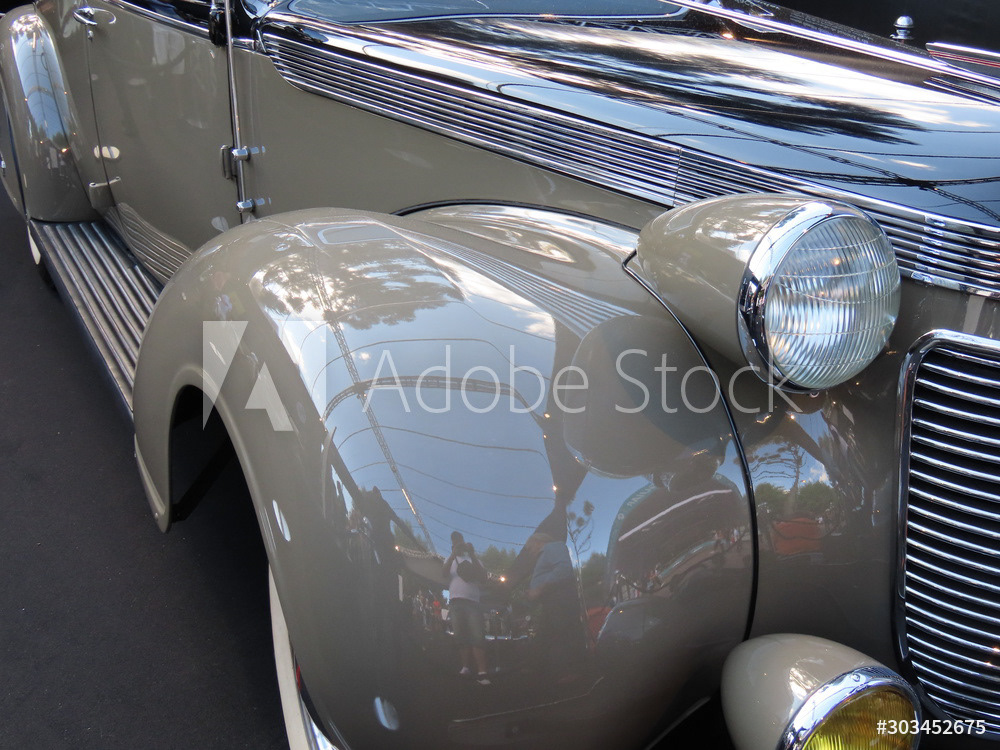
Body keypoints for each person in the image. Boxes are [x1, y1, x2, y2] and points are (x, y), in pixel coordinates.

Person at [442, 531, 490, 685]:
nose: (458, 545)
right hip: (455, 601)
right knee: (460, 636)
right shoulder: (449, 560)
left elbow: (483, 578)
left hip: (473, 602)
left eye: (460, 542)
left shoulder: (475, 560)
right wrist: (452, 555)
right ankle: (465, 667)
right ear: (452, 545)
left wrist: (472, 554)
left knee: (477, 635)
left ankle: (482, 671)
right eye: (455, 543)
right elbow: (444, 574)